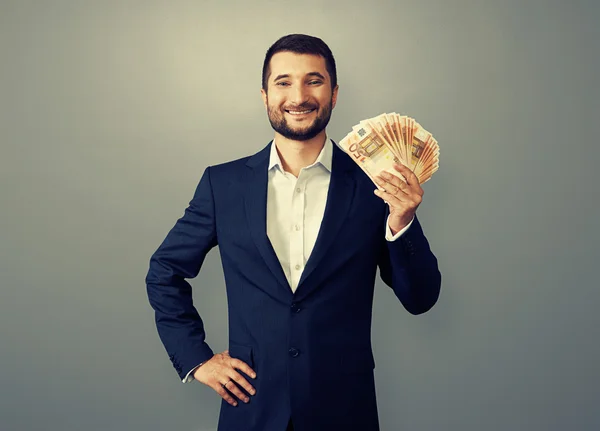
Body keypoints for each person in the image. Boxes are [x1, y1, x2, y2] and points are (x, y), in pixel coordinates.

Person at [145, 33, 441, 431]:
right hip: (252, 409)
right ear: (264, 94)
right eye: (283, 82)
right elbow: (164, 271)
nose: (298, 95)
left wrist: (403, 221)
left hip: (344, 411)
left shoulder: (375, 185)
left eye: (313, 81)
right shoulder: (224, 185)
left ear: (334, 94)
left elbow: (420, 299)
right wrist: (196, 359)